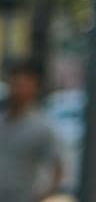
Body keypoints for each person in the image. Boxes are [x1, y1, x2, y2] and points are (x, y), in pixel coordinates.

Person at [0, 58, 63, 202]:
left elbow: (58, 168)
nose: (17, 90)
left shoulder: (42, 127)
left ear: (34, 88)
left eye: (23, 85)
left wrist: (43, 196)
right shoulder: (2, 119)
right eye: (14, 83)